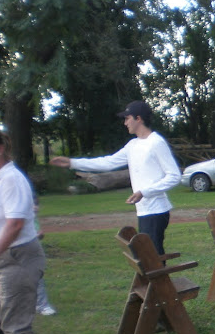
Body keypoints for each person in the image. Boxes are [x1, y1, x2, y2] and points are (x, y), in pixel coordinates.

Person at [50, 101, 180, 255]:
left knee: (152, 258)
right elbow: (108, 162)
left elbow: (174, 176)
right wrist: (72, 163)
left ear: (139, 119)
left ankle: (157, 280)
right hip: (144, 210)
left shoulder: (156, 143)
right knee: (148, 258)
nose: (125, 123)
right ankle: (154, 279)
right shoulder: (133, 145)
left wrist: (144, 192)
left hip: (157, 211)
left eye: (127, 118)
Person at [0, 125, 48, 334]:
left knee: (14, 320)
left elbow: (14, 225)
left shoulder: (11, 179)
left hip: (17, 256)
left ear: (0, 148)